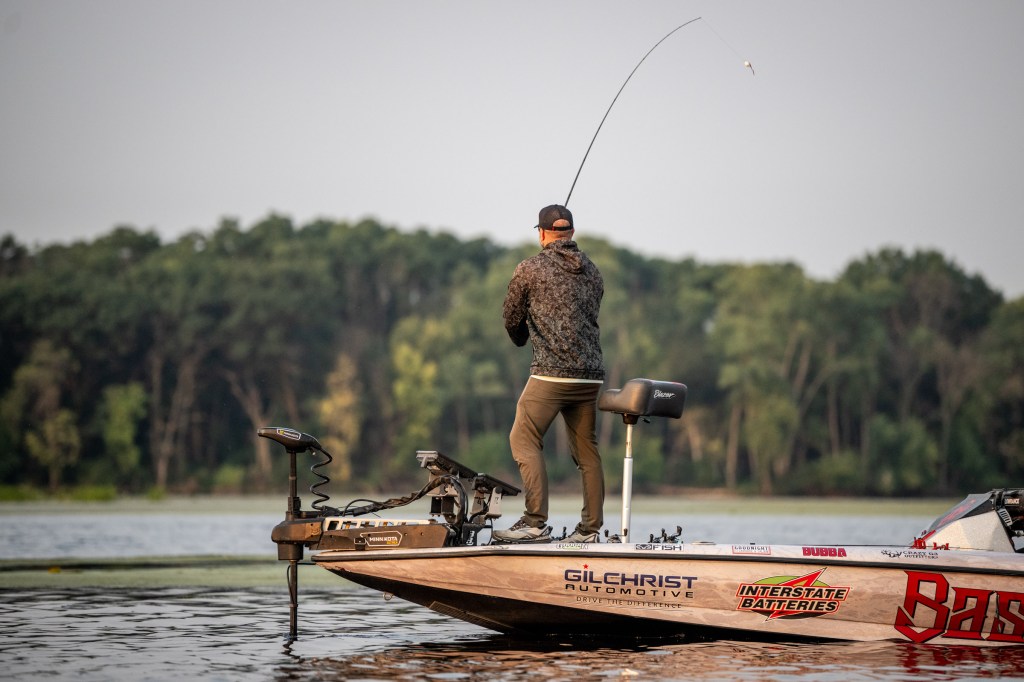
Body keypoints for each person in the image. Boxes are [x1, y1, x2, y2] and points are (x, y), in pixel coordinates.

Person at [493, 204, 606, 544]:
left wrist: (520, 338)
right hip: (590, 376)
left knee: (523, 438)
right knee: (587, 452)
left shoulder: (529, 268)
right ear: (571, 232)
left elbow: (511, 317)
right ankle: (589, 530)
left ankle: (534, 523)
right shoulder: (593, 271)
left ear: (542, 234)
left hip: (551, 375)